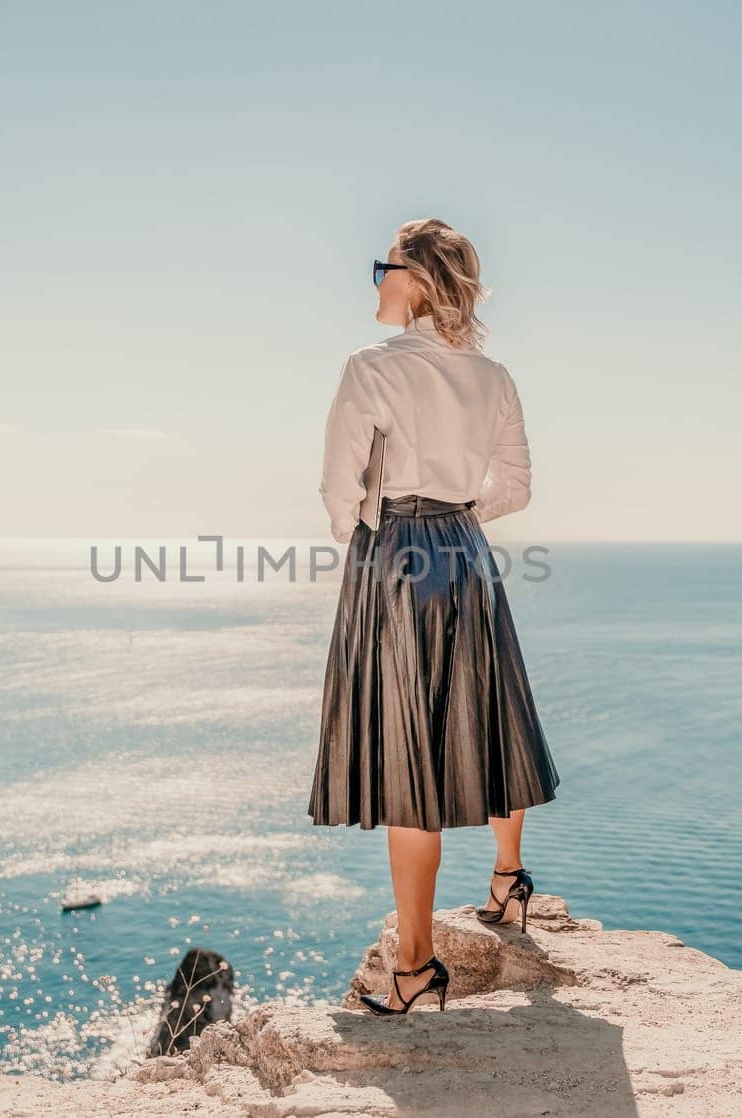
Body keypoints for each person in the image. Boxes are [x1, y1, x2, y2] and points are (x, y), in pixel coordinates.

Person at [307, 217, 563, 1015]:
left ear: (415, 278)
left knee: (409, 759)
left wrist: (372, 540)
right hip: (465, 547)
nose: (376, 279)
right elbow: (516, 486)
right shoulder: (494, 376)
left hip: (395, 554)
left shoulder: (370, 368)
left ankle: (416, 969)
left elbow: (337, 489)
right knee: (489, 717)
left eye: (382, 265)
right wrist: (459, 517)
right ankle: (507, 880)